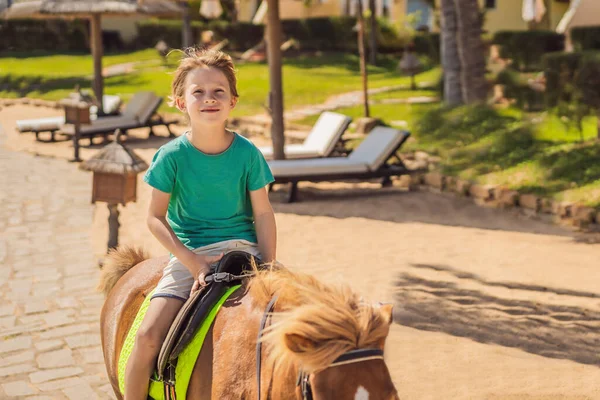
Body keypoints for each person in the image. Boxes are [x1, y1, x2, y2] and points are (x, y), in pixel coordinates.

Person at [124, 48, 277, 400]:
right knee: (148, 336)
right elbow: (154, 217)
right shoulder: (171, 156)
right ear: (180, 103)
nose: (209, 98)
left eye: (218, 91)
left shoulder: (248, 153)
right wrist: (192, 261)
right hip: (191, 254)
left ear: (233, 101)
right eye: (198, 92)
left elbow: (264, 213)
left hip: (246, 250)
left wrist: (269, 266)